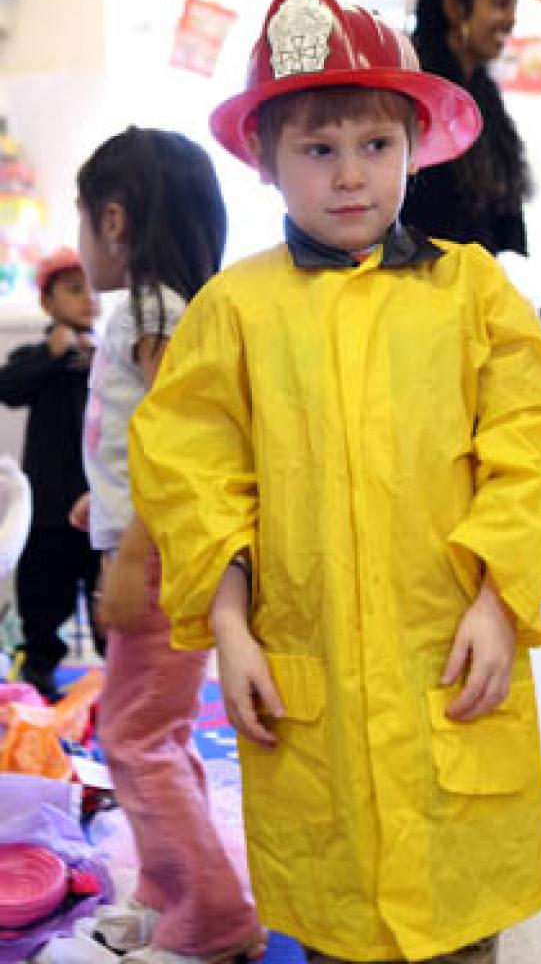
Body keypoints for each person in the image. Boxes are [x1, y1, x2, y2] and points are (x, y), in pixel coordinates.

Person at [128, 0, 541, 964]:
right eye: (319, 149)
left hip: (451, 670)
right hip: (315, 696)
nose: (351, 177)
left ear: (414, 148)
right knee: (336, 922)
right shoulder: (236, 311)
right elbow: (192, 472)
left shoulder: (471, 291)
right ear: (265, 158)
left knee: (462, 923)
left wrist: (500, 600)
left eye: (376, 146)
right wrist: (226, 623)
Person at [70, 127, 265, 964]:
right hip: (154, 549)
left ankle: (215, 919)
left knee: (136, 737)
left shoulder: (153, 311)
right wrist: (101, 503)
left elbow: (176, 446)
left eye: (83, 222)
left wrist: (132, 553)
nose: (79, 244)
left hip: (158, 565)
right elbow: (137, 439)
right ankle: (166, 890)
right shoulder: (161, 308)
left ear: (115, 221)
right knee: (157, 729)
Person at [0, 248, 102, 701]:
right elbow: (10, 389)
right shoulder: (35, 357)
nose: (88, 299)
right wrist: (51, 353)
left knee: (106, 605)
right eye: (74, 290)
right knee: (42, 603)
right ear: (48, 303)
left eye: (93, 289)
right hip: (48, 508)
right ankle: (35, 682)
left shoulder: (111, 354)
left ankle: (116, 683)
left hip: (101, 507)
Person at [401, 0, 532, 255]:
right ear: (454, 7)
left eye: (514, 5)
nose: (511, 19)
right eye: (500, 3)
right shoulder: (421, 97)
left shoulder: (483, 91)